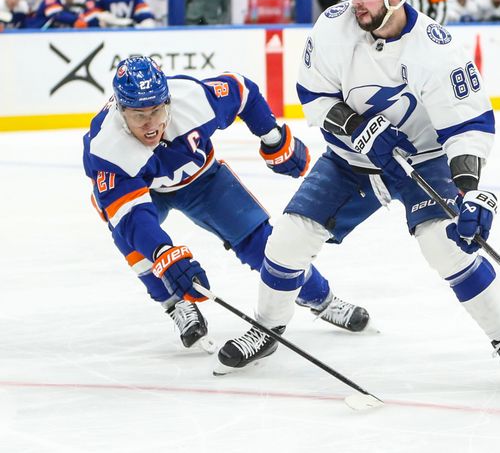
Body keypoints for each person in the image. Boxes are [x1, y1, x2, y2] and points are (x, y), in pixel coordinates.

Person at [221, 0, 500, 385]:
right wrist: (355, 127)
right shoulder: (334, 27)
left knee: (445, 244)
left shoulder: (436, 49)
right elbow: (314, 95)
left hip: (422, 159)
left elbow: (467, 125)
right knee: (288, 240)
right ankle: (267, 327)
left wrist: (469, 193)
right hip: (350, 159)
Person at [82, 56, 370, 365]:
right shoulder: (106, 146)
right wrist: (164, 253)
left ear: (168, 101)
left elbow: (242, 91)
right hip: (145, 192)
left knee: (262, 243)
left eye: (157, 110)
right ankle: (175, 303)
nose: (151, 123)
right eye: (139, 115)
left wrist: (273, 138)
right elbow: (132, 218)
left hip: (202, 180)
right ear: (120, 111)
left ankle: (321, 298)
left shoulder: (192, 99)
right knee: (128, 235)